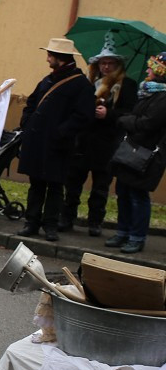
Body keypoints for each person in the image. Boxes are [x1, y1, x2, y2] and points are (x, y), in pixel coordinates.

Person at [16, 38, 95, 242]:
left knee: (55, 186)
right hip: (38, 141)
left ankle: (50, 225)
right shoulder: (47, 80)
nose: (47, 58)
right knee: (36, 185)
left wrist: (61, 132)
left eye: (50, 54)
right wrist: (27, 121)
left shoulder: (80, 85)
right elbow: (32, 102)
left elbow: (83, 115)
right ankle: (31, 222)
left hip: (59, 145)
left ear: (60, 58)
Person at [60, 36, 137, 236]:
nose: (106, 67)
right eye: (103, 63)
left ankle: (95, 222)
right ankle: (67, 218)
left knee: (100, 188)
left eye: (111, 63)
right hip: (83, 142)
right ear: (98, 64)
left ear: (117, 65)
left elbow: (130, 114)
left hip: (108, 144)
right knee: (73, 183)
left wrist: (108, 114)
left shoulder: (126, 85)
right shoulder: (89, 82)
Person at [105, 52, 166, 254]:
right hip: (131, 150)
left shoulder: (162, 98)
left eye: (152, 67)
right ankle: (122, 232)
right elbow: (135, 117)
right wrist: (128, 119)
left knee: (138, 196)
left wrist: (124, 120)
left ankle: (137, 237)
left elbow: (146, 123)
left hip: (147, 155)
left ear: (160, 72)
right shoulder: (147, 93)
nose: (147, 70)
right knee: (123, 192)